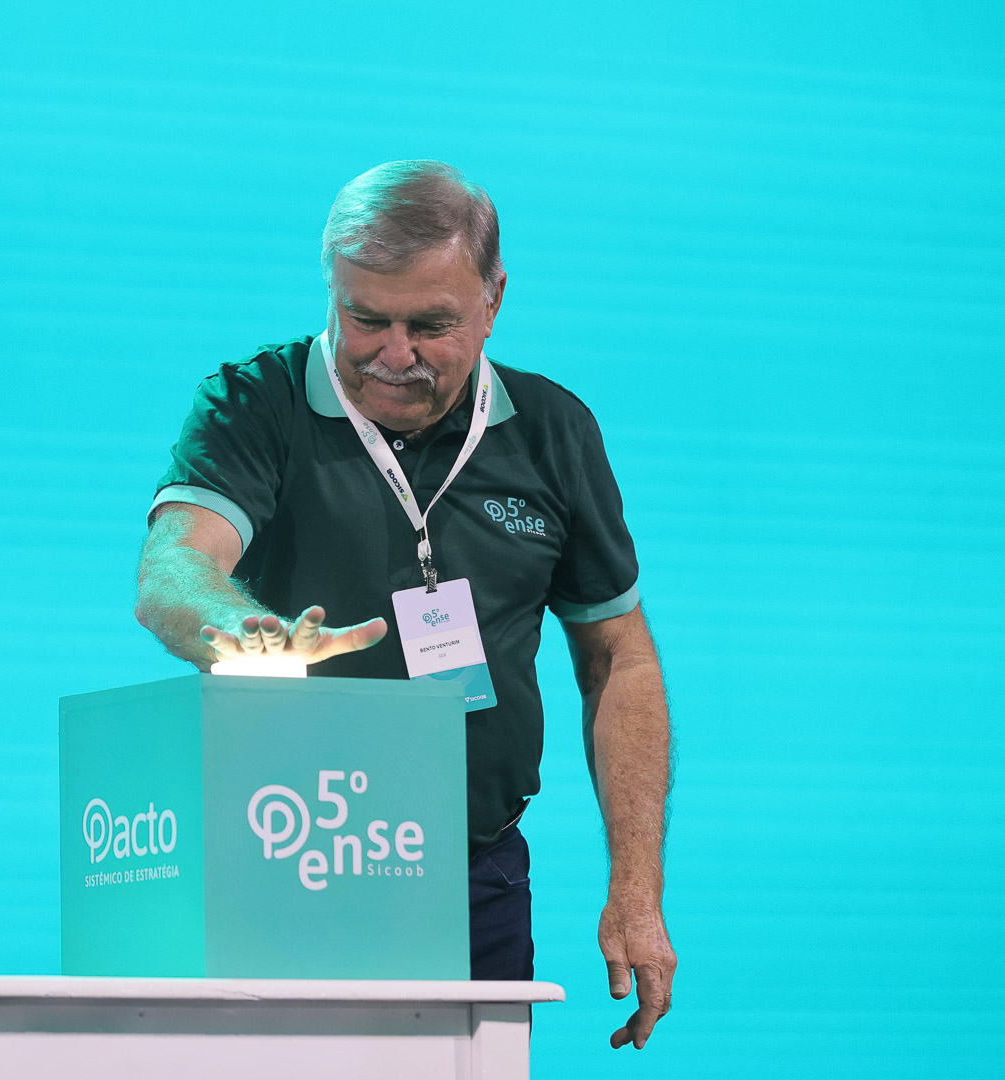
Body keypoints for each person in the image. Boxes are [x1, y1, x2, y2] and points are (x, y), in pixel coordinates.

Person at [133, 160, 676, 1049]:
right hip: (283, 873)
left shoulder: (553, 430)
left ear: (493, 301)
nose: (393, 353)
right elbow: (173, 568)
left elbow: (621, 657)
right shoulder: (256, 402)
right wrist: (240, 630)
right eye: (365, 319)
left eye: (429, 325)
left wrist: (636, 889)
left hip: (475, 881)